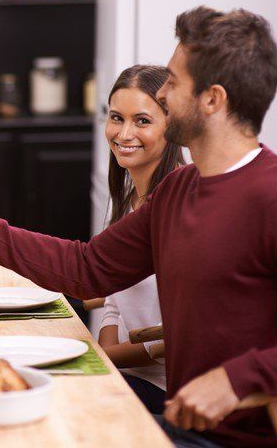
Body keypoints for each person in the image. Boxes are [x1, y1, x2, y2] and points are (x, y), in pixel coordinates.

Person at [0, 6, 277, 447]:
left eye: (173, 81)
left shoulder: (272, 195)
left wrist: (237, 378)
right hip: (179, 427)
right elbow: (85, 268)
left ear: (212, 99)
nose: (163, 92)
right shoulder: (178, 191)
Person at [98, 65, 185, 415]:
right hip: (129, 375)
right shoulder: (129, 197)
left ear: (173, 127)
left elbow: (177, 336)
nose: (124, 133)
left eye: (143, 121)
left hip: (169, 389)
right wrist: (107, 360)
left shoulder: (181, 204)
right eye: (117, 118)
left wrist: (103, 358)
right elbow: (113, 299)